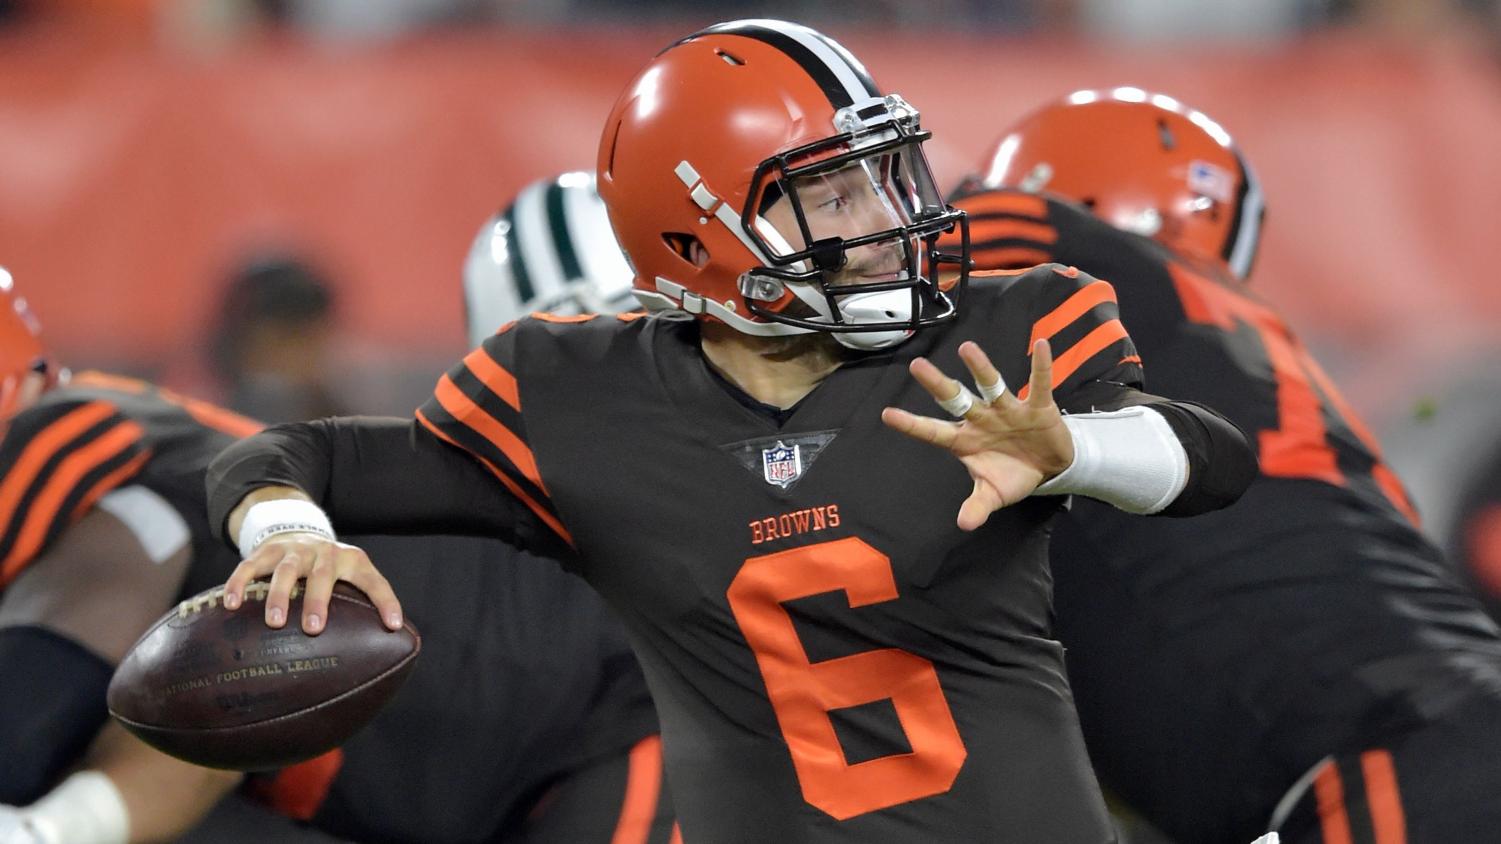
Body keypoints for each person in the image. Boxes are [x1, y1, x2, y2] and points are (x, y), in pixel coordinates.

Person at [206, 21, 1257, 842]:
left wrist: (1074, 452)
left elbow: (1212, 458)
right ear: (695, 235)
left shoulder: (995, 343)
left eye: (886, 175)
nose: (890, 219)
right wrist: (282, 528)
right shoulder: (577, 400)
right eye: (834, 193)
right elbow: (295, 453)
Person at [947, 88, 1501, 843]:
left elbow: (941, 235)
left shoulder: (1079, 265)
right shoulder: (1243, 360)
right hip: (1424, 740)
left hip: (1390, 758)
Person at [0, 235, 673, 842]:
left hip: (603, 713)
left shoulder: (77, 435)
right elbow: (195, 712)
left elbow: (49, 702)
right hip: (424, 775)